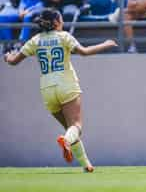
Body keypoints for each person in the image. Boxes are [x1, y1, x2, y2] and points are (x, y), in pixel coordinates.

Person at [4, 9, 118, 172]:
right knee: (76, 126)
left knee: (71, 131)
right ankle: (66, 141)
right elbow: (84, 52)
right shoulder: (63, 36)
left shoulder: (35, 40)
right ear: (56, 22)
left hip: (47, 90)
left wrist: (7, 57)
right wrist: (105, 44)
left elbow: (14, 61)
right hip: (66, 84)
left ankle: (86, 165)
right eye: (62, 19)